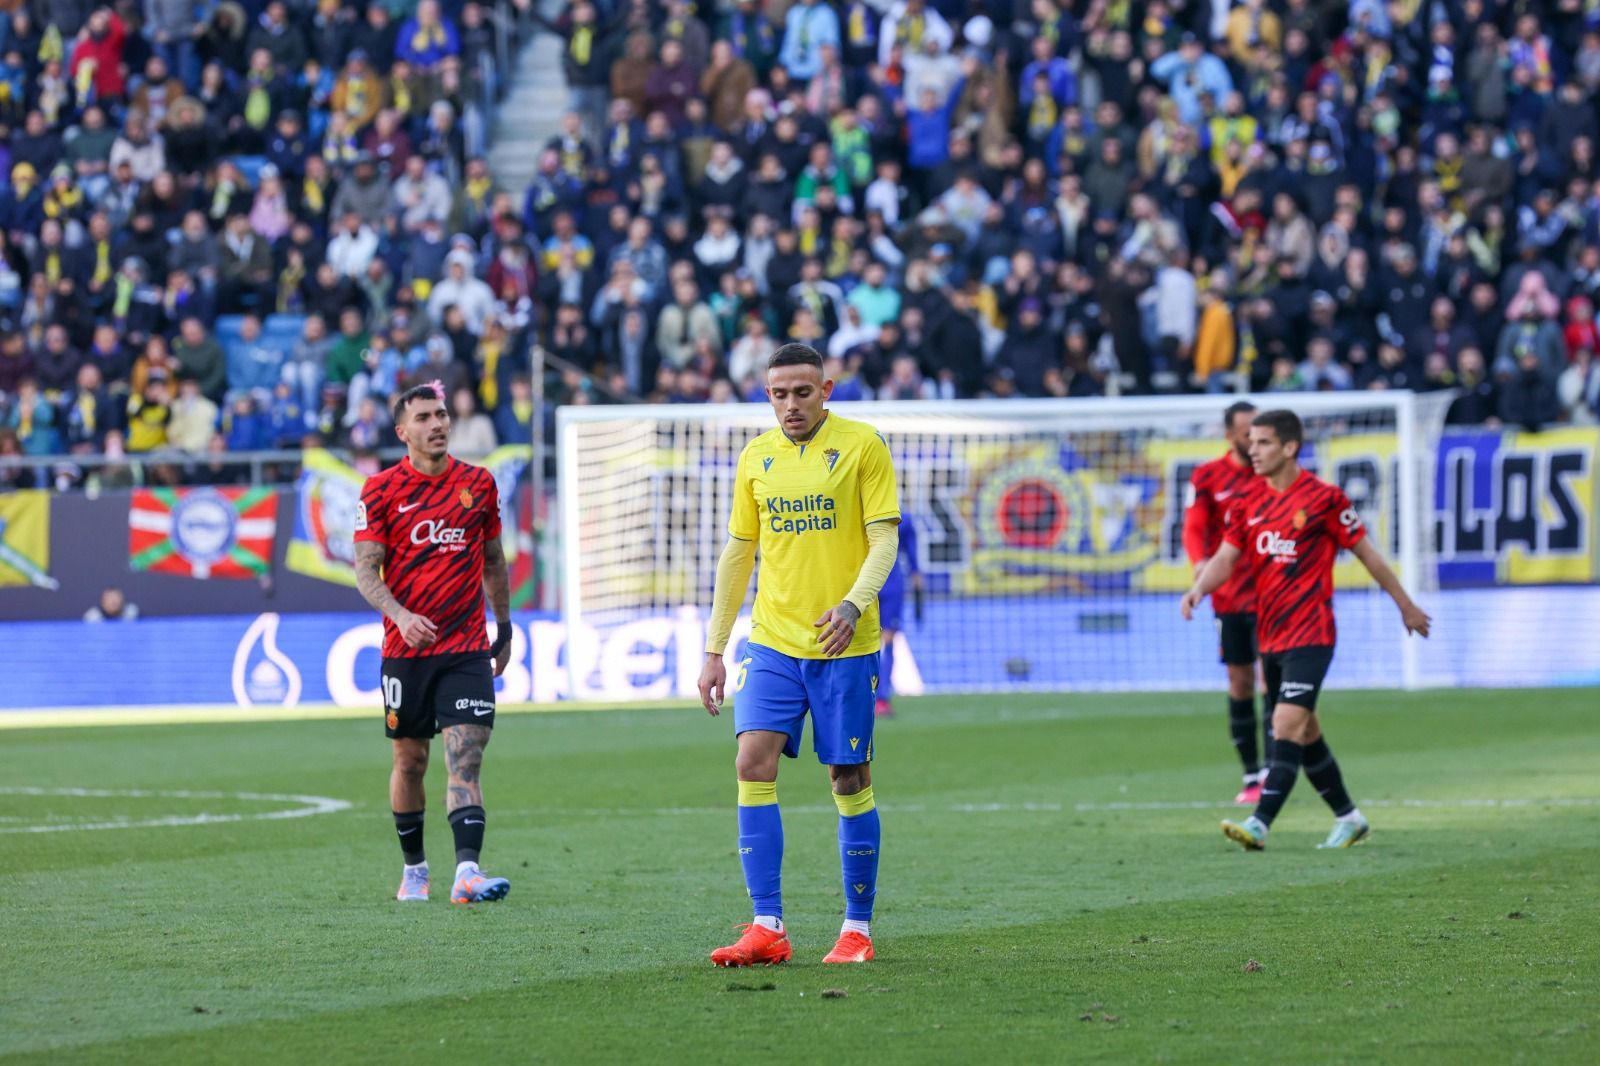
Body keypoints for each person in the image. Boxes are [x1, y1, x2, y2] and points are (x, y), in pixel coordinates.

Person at [697, 343, 900, 966]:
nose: (791, 404)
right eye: (779, 394)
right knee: (751, 763)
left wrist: (853, 605)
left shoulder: (863, 446)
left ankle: (857, 929)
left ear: (827, 389)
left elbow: (883, 538)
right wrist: (714, 648)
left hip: (844, 644)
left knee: (847, 780)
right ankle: (767, 926)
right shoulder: (756, 456)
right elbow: (739, 552)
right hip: (774, 641)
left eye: (803, 392)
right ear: (768, 396)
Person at [1181, 410, 1431, 851]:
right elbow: (1225, 556)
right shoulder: (1247, 502)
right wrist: (1199, 588)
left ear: (1290, 447)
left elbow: (1368, 555)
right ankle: (1349, 818)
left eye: (1262, 443)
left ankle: (1259, 824)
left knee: (1283, 725)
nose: (1252, 450)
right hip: (1270, 636)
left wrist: (1406, 605)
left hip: (1312, 633)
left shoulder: (1324, 499)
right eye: (1251, 442)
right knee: (1306, 732)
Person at [352, 380, 515, 905]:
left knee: (465, 756)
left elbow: (493, 559)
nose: (438, 423)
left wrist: (504, 626)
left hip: (466, 645)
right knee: (410, 762)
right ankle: (415, 870)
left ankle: (466, 871)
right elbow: (365, 570)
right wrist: (399, 615)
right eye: (424, 417)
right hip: (405, 654)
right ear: (403, 432)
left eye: (442, 413)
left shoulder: (478, 484)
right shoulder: (379, 491)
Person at [1181, 401, 1271, 805]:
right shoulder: (1207, 476)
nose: (1252, 437)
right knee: (1240, 682)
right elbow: (1194, 526)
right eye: (1245, 430)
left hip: (1272, 593)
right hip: (1230, 595)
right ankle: (1252, 774)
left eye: (1258, 430)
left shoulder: (1271, 474)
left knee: (1271, 680)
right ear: (1229, 434)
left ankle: (1274, 771)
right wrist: (1199, 564)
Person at [873, 513, 920, 719]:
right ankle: (857, 696)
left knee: (888, 641)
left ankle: (881, 698)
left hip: (891, 586)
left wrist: (916, 572)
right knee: (855, 641)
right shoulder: (854, 512)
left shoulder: (903, 519)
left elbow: (911, 550)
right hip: (862, 585)